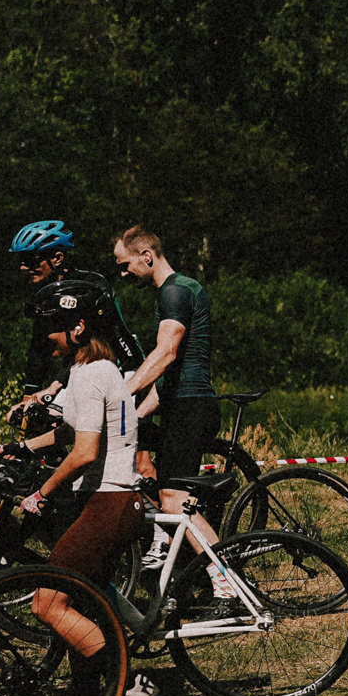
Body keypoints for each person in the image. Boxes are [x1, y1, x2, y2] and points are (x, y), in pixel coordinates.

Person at [16, 280, 155, 696]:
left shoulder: (91, 373)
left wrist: (41, 493)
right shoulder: (101, 370)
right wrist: (17, 448)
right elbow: (72, 434)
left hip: (109, 501)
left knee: (47, 604)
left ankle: (116, 694)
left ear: (77, 327)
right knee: (85, 606)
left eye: (50, 329)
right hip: (114, 500)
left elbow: (85, 452)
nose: (45, 339)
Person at [112, 227, 220, 533]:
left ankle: (224, 576)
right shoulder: (171, 291)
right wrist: (133, 414)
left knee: (173, 499)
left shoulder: (176, 291)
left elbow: (166, 354)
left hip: (191, 407)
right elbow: (170, 377)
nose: (123, 274)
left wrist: (119, 394)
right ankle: (172, 553)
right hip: (179, 403)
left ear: (146, 256)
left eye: (125, 265)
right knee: (143, 467)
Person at [8, 219, 143, 413]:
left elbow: (95, 346)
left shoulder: (89, 287)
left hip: (118, 366)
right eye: (21, 260)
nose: (22, 267)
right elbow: (38, 349)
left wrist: (55, 385)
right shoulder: (44, 294)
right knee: (37, 420)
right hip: (76, 371)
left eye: (30, 259)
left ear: (57, 258)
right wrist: (30, 396)